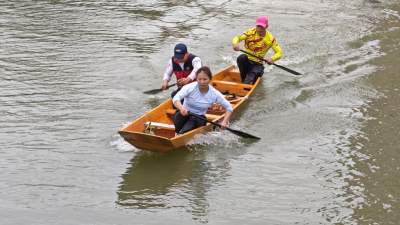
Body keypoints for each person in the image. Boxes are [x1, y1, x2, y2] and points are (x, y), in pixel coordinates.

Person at [172, 66, 233, 134]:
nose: (202, 82)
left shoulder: (214, 93)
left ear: (210, 79)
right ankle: (179, 132)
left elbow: (229, 108)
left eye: (205, 79)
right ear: (196, 79)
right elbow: (176, 98)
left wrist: (224, 122)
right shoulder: (189, 87)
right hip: (184, 113)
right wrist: (181, 108)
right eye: (199, 79)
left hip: (198, 118)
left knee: (191, 122)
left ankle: (181, 134)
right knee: (179, 116)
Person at [232, 16, 283, 84]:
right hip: (247, 61)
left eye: (262, 27)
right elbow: (237, 37)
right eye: (258, 26)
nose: (259, 29)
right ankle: (244, 80)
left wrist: (272, 59)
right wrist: (235, 44)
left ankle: (247, 81)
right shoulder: (250, 32)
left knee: (251, 77)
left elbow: (279, 52)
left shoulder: (270, 39)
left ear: (266, 26)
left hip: (258, 64)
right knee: (241, 57)